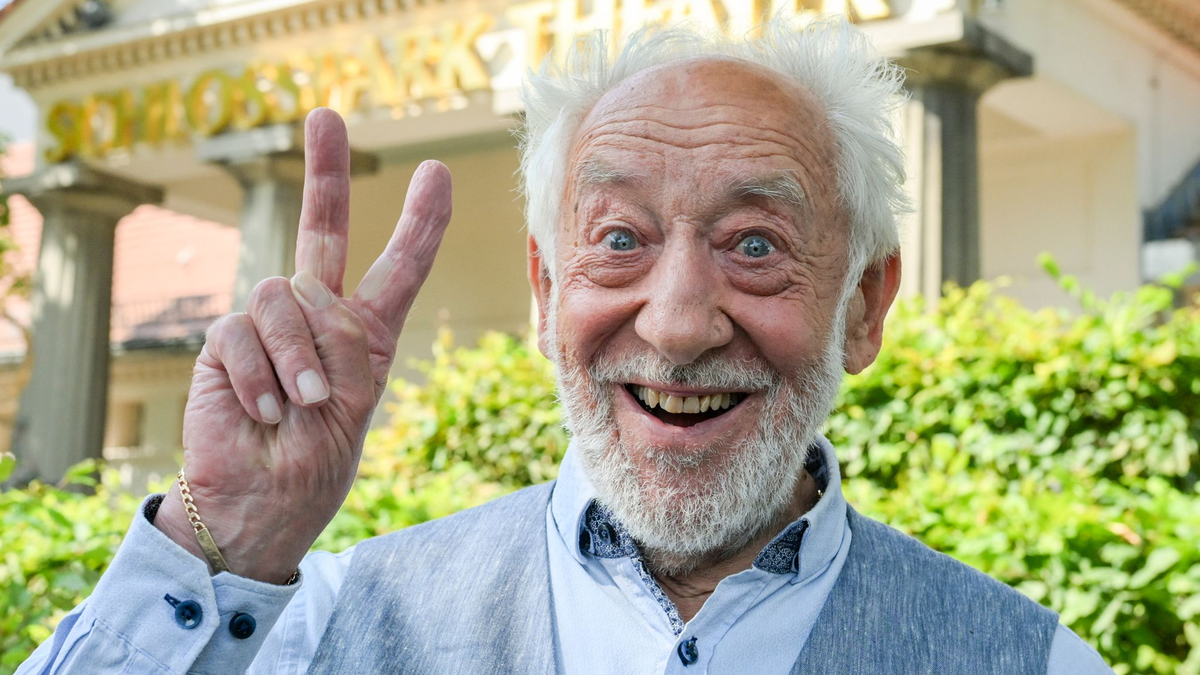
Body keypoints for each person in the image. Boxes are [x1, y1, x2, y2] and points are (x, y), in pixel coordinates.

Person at [18, 17, 1114, 675]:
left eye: (756, 243)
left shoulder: (1036, 662)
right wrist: (224, 542)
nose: (680, 322)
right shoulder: (326, 624)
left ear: (865, 309)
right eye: (621, 240)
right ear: (546, 293)